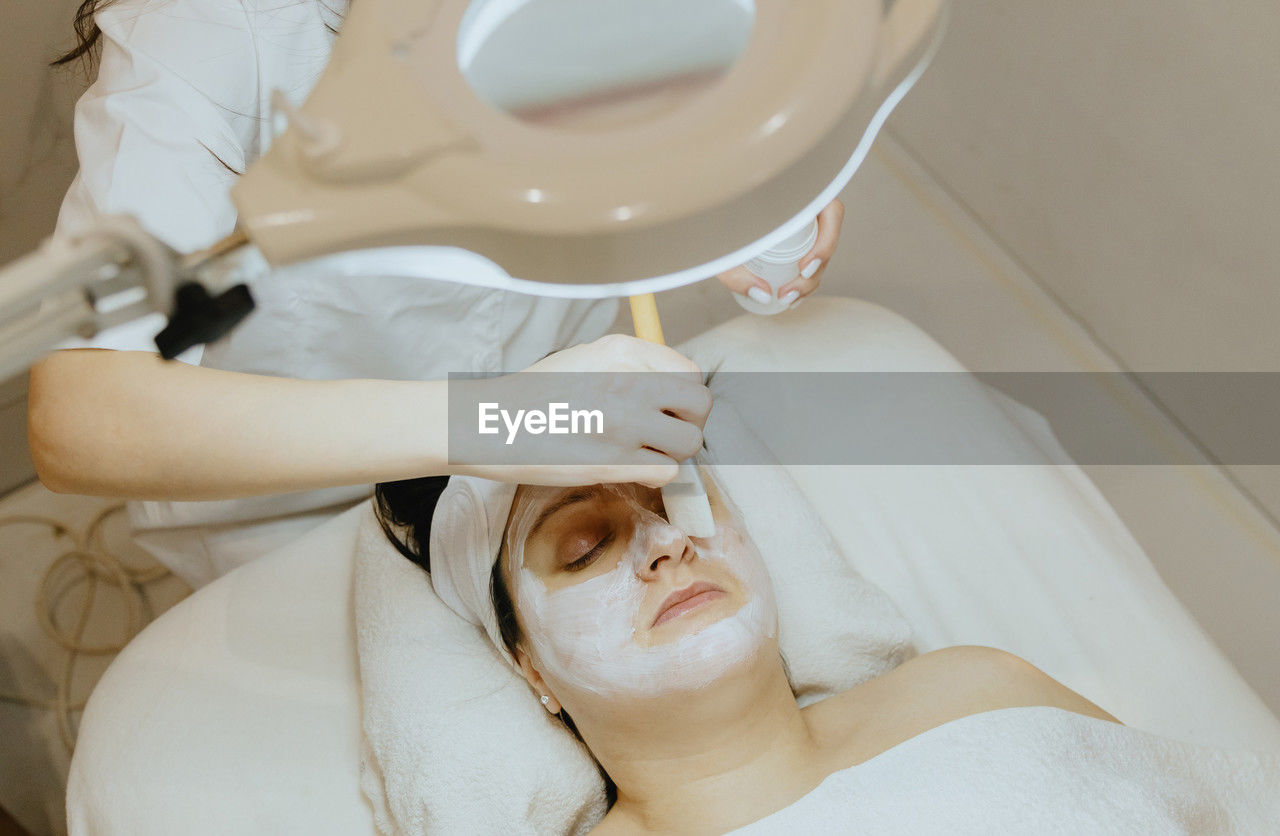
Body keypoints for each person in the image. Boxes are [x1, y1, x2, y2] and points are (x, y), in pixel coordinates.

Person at [32, 0, 845, 586]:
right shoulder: (211, 32)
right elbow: (79, 417)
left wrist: (748, 196)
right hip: (289, 510)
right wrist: (501, 419)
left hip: (563, 460)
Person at [374, 473, 1280, 834]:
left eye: (681, 504)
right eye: (583, 547)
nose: (665, 543)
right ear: (532, 671)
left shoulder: (979, 691)